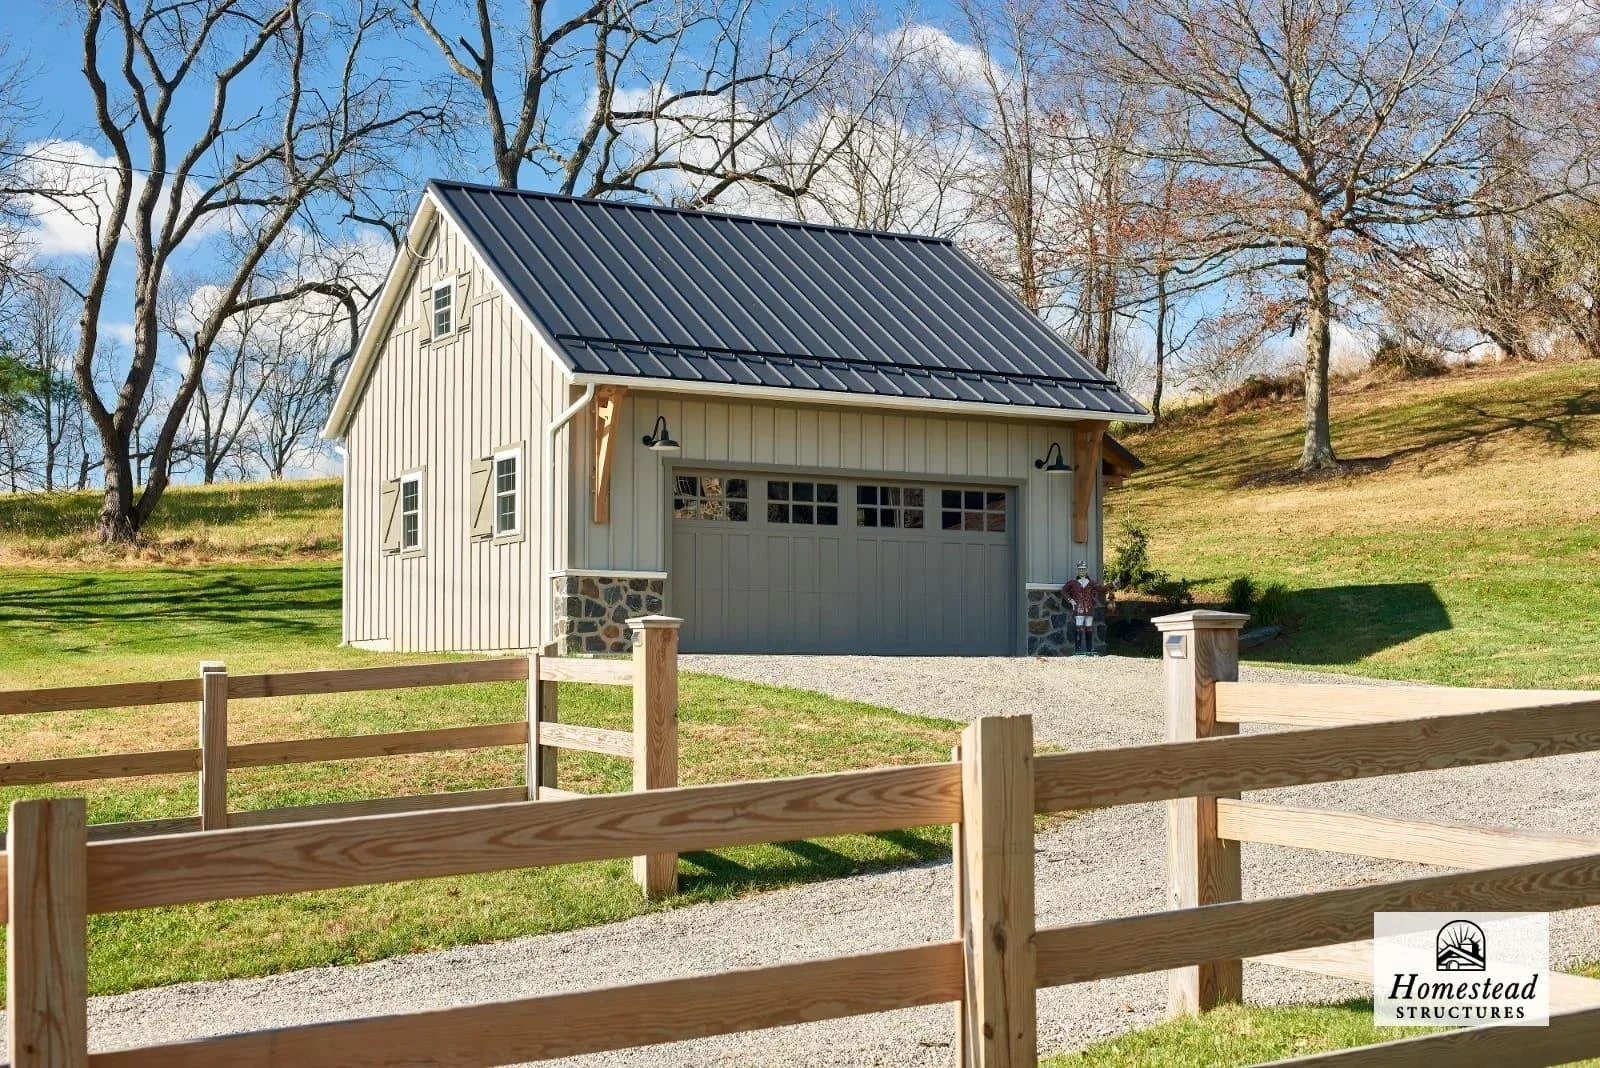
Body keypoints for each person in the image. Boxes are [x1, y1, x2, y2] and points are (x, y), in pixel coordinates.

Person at [1059, 561, 1107, 655]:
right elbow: (1063, 590)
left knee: (1089, 628)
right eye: (1080, 569)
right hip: (1078, 609)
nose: (1082, 571)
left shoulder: (1091, 583)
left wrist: (1112, 584)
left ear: (1086, 570)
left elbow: (1102, 589)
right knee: (1079, 628)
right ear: (1078, 570)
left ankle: (1089, 648)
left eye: (1083, 569)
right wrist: (1070, 600)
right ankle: (1078, 649)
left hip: (1089, 609)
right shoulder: (1073, 583)